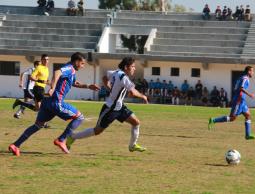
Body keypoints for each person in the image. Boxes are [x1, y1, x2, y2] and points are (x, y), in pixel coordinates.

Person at [9, 52, 100, 156]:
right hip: (56, 102)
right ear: (76, 61)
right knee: (80, 117)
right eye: (82, 63)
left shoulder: (71, 70)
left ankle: (15, 145)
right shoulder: (69, 68)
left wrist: (88, 86)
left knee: (38, 125)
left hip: (48, 102)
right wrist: (52, 87)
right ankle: (61, 140)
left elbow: (74, 83)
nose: (83, 66)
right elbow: (57, 72)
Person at [66, 57, 148, 153]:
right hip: (110, 109)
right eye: (133, 66)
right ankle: (72, 137)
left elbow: (105, 77)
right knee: (97, 131)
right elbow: (133, 93)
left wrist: (109, 87)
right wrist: (143, 96)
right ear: (126, 67)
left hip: (120, 107)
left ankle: (132, 145)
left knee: (136, 122)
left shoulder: (116, 72)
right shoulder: (124, 78)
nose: (135, 68)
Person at [208, 66, 255, 140]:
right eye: (252, 71)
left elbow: (236, 88)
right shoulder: (245, 79)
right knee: (232, 118)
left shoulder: (241, 78)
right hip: (238, 101)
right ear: (249, 71)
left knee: (248, 115)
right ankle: (213, 120)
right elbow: (241, 88)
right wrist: (249, 94)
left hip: (242, 101)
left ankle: (248, 135)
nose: (253, 72)